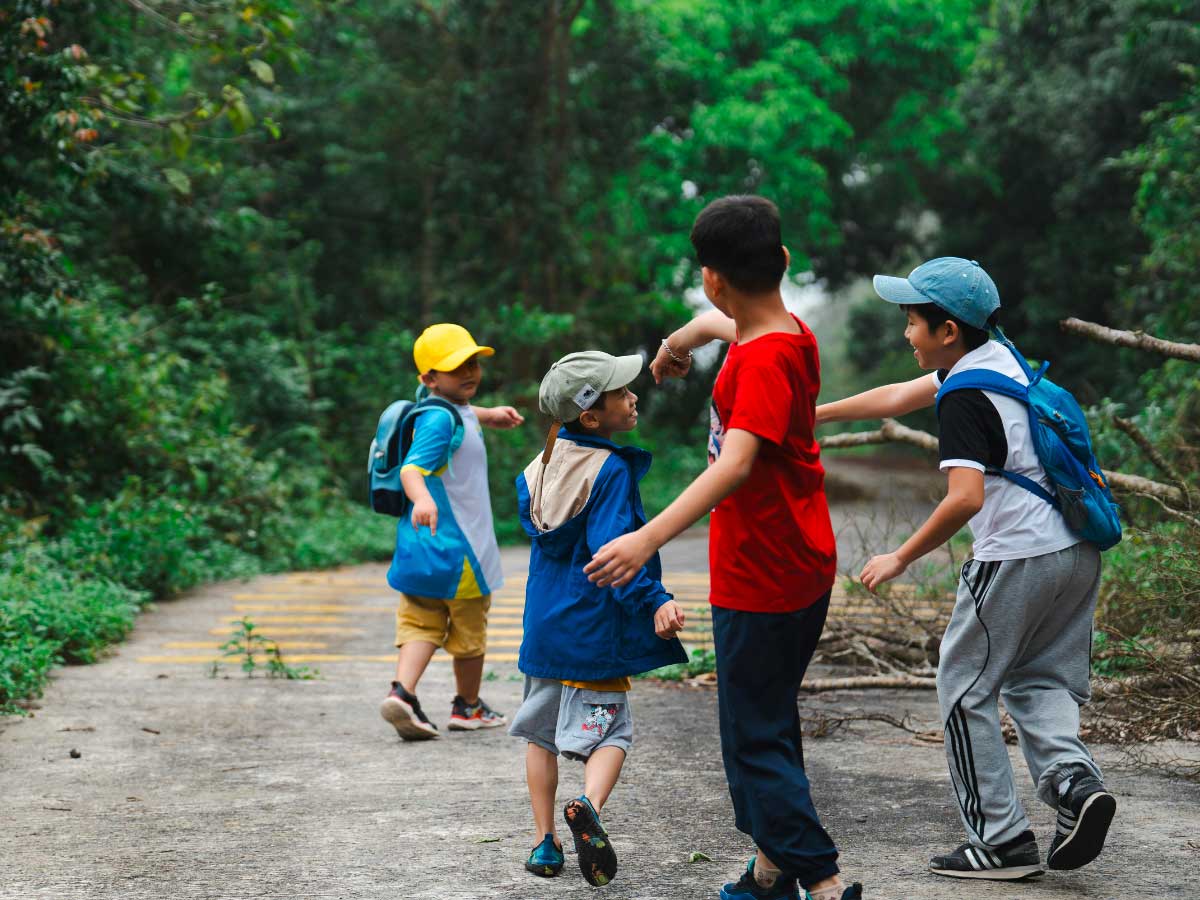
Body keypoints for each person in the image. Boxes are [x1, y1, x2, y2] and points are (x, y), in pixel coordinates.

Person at [585, 196, 862, 900]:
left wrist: (645, 537)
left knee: (753, 739)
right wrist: (675, 348)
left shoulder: (762, 362)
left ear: (713, 276)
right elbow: (717, 323)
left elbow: (735, 464)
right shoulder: (786, 332)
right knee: (766, 718)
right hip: (797, 561)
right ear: (783, 262)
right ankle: (769, 873)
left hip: (765, 574)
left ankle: (823, 881)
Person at [815, 257, 1116, 880]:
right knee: (1040, 682)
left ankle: (1001, 840)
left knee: (964, 689)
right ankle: (1075, 786)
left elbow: (964, 498)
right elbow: (897, 396)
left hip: (1014, 558)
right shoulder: (999, 361)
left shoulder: (963, 398)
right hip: (1075, 550)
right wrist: (812, 414)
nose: (905, 334)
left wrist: (900, 555)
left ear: (947, 329)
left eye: (912, 322)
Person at [508, 350, 688, 887]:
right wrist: (654, 598)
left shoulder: (534, 471)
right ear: (591, 417)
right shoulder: (608, 468)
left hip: (544, 632)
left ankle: (545, 843)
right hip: (593, 631)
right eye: (622, 393)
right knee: (613, 732)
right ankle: (587, 804)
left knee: (540, 737)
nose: (633, 397)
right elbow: (613, 551)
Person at [379, 323, 524, 740]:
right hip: (459, 550)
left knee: (421, 623)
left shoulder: (438, 408)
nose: (470, 372)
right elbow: (412, 468)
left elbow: (457, 414)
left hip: (419, 548)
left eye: (473, 362)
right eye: (456, 366)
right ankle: (468, 706)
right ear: (428, 378)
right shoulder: (440, 422)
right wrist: (422, 497)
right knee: (469, 632)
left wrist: (489, 415)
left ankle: (403, 693)